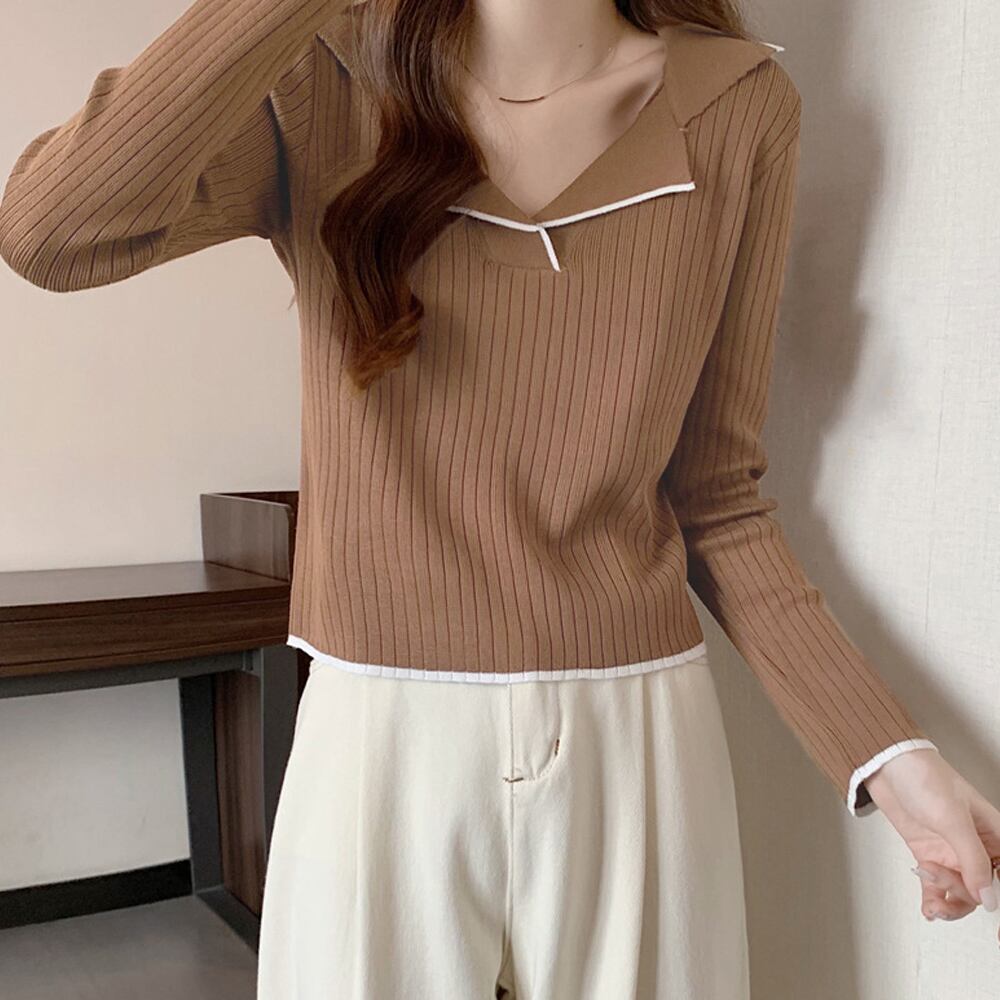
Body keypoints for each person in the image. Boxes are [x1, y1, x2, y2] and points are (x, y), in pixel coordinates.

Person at [2, 0, 998, 995]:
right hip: (377, 732)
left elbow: (717, 497)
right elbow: (49, 233)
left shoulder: (738, 106)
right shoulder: (322, 82)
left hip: (636, 735)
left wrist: (890, 758)